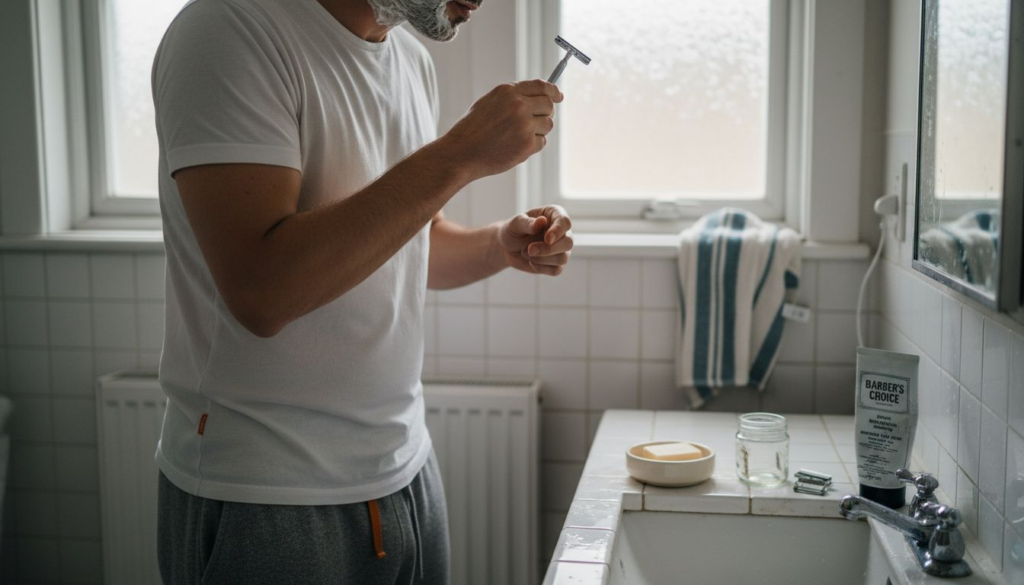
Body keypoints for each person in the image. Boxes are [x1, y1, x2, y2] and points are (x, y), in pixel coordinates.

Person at [151, 0, 573, 583]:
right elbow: (262, 291)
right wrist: (458, 156)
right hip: (266, 493)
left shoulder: (410, 61)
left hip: (405, 470)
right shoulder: (228, 30)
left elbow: (403, 242)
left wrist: (499, 244)